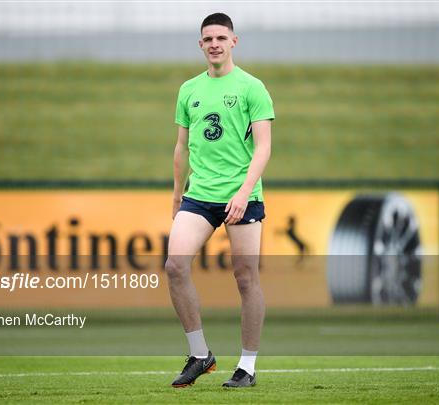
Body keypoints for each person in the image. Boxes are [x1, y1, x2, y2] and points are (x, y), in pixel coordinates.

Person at [165, 12, 275, 388]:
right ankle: (200, 355)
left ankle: (247, 366)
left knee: (246, 278)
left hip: (242, 195)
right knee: (175, 267)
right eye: (208, 38)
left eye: (221, 38)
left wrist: (244, 193)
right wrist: (177, 194)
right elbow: (181, 147)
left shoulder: (252, 88)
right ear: (201, 45)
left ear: (233, 42)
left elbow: (264, 148)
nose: (214, 43)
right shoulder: (188, 90)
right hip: (199, 195)